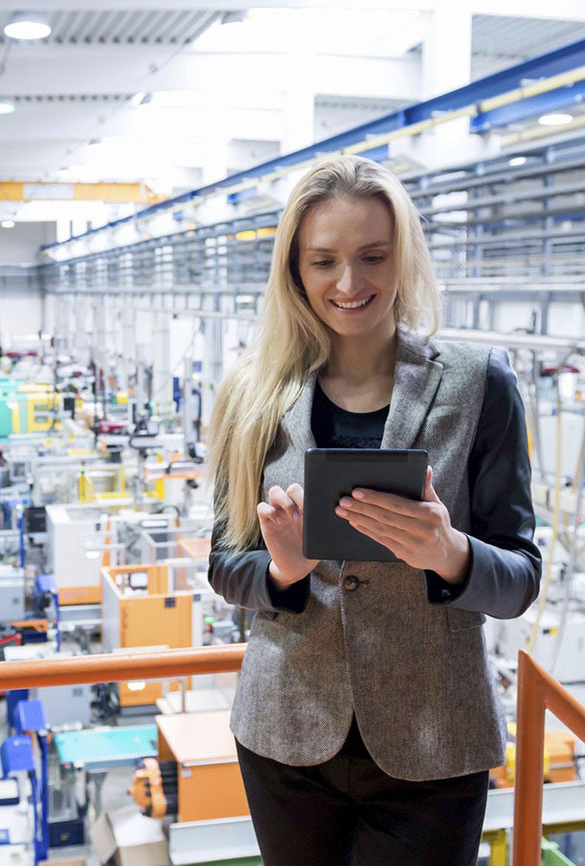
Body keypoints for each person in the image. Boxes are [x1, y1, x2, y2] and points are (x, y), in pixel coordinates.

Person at [207, 155, 541, 866]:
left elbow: (518, 576)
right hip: (286, 734)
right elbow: (223, 562)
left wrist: (451, 554)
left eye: (372, 256)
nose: (349, 283)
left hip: (435, 738)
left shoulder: (481, 385)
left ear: (404, 256)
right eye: (323, 260)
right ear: (294, 268)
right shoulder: (251, 392)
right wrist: (282, 571)